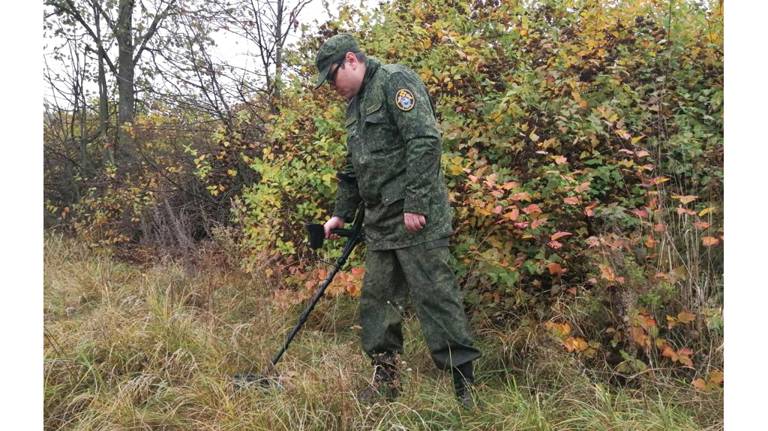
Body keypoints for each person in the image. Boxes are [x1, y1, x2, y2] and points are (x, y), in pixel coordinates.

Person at [314, 33, 481, 408]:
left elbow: (424, 141)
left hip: (417, 221)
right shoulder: (354, 106)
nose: (331, 85)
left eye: (332, 76)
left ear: (351, 60)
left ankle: (464, 389)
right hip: (380, 224)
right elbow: (354, 166)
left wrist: (417, 202)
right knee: (377, 303)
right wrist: (340, 213)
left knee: (436, 298)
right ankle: (385, 380)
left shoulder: (395, 82)